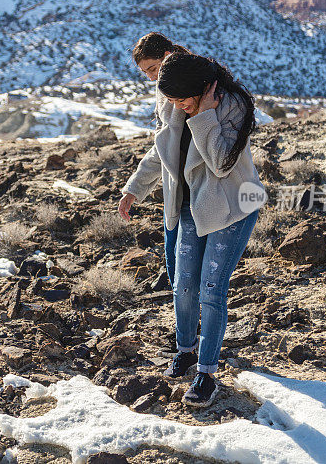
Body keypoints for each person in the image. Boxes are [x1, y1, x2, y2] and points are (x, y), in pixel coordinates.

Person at [118, 52, 266, 408]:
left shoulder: (231, 107)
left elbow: (219, 162)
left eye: (181, 99)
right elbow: (161, 153)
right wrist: (134, 189)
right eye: (170, 100)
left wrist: (204, 115)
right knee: (184, 285)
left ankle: (207, 373)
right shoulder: (175, 106)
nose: (177, 106)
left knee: (211, 290)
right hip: (190, 208)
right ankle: (185, 350)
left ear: (202, 88)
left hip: (231, 208)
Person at [131, 33, 191, 288]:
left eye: (153, 68)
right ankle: (185, 327)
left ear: (167, 56)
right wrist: (134, 189)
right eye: (146, 73)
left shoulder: (192, 82)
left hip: (199, 192)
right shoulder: (163, 89)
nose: (151, 77)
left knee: (187, 274)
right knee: (175, 265)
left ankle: (197, 326)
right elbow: (162, 144)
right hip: (176, 191)